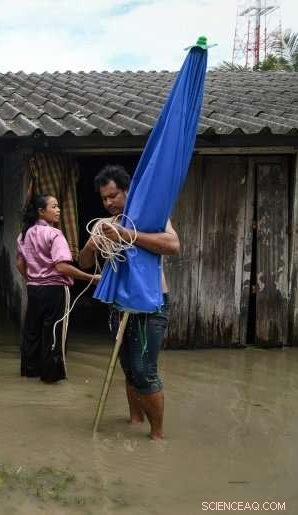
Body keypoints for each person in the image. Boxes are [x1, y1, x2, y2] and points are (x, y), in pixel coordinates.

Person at [78, 165, 180, 440]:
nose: (109, 202)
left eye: (114, 195)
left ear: (128, 191)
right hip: (120, 304)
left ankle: (157, 435)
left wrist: (127, 235)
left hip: (152, 302)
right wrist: (92, 246)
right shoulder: (103, 225)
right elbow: (84, 263)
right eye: (104, 198)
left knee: (144, 369)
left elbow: (173, 246)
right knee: (126, 365)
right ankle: (134, 420)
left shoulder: (150, 218)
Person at [17, 195, 100, 383]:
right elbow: (62, 267)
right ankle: (51, 378)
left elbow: (19, 263)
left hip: (34, 289)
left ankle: (30, 372)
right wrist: (91, 278)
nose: (58, 210)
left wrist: (33, 278)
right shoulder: (54, 234)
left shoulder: (24, 234)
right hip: (56, 290)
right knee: (54, 332)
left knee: (33, 331)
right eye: (54, 206)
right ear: (41, 211)